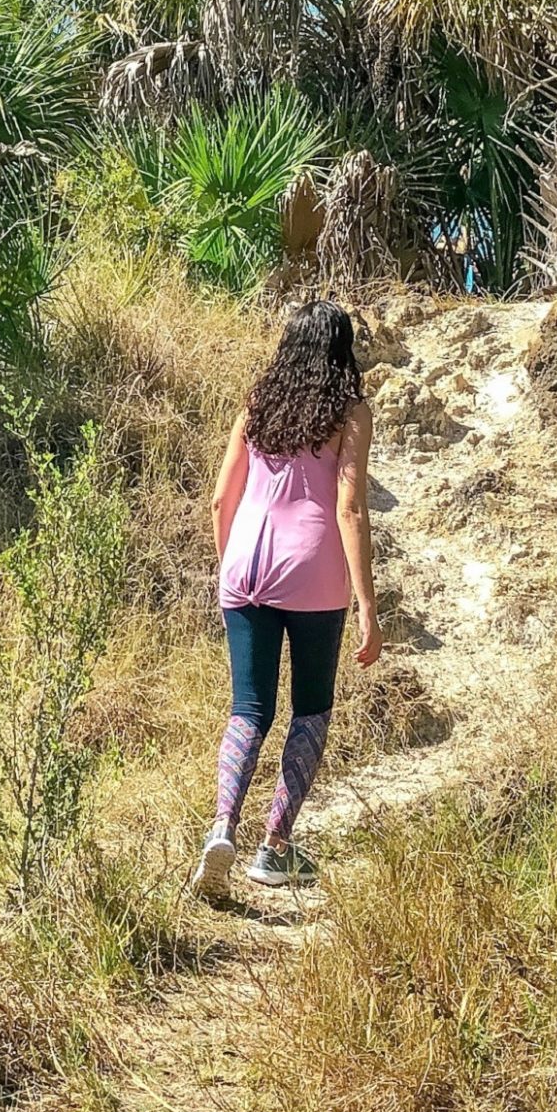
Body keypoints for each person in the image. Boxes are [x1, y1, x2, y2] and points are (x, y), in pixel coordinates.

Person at [192, 298, 381, 899]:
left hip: (245, 566)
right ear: (341, 350)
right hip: (313, 570)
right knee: (310, 710)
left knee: (248, 708)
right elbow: (349, 509)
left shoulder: (257, 405)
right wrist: (368, 608)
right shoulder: (349, 414)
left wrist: (233, 573)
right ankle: (274, 846)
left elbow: (222, 500)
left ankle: (221, 826)